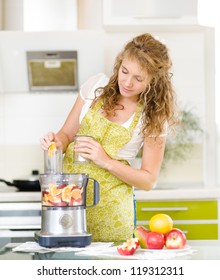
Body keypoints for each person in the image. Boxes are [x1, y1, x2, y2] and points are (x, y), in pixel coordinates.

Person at [40, 33, 177, 242]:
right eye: (124, 71)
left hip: (113, 212)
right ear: (119, 64)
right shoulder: (94, 87)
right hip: (68, 205)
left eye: (138, 78)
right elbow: (66, 134)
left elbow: (148, 180)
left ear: (154, 81)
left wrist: (105, 161)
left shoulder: (153, 117)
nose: (127, 82)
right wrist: (56, 142)